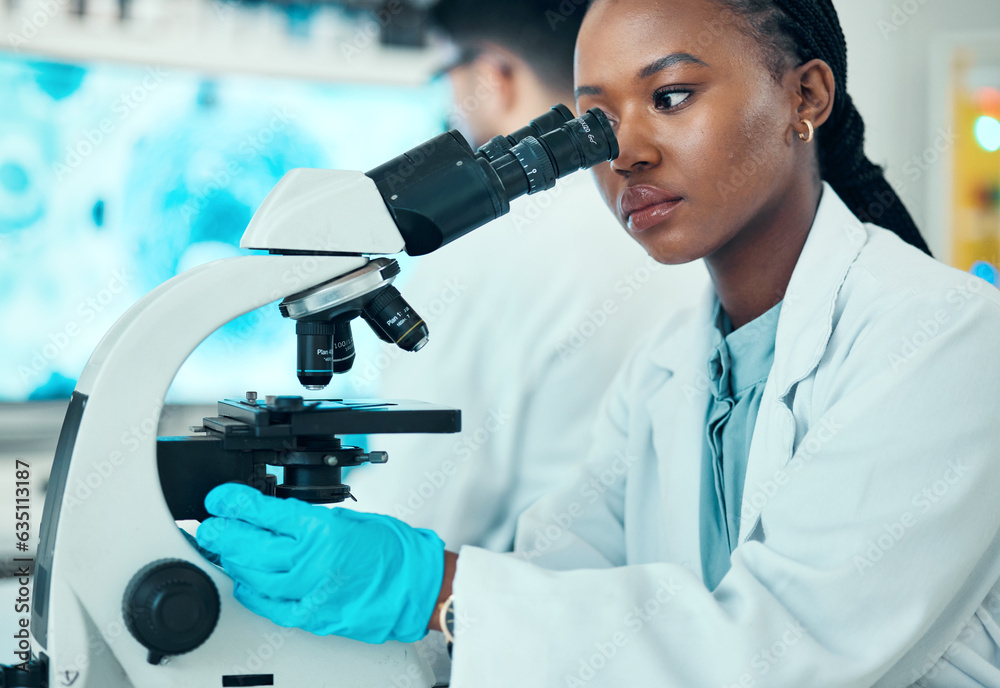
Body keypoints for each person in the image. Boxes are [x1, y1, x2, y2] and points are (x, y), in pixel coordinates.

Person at [195, 0, 1000, 685]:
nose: (626, 153)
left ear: (807, 97)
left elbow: (784, 652)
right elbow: (566, 575)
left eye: (673, 96)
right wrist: (404, 593)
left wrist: (433, 589)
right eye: (594, 125)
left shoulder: (941, 338)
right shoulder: (671, 364)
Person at [339, 0, 707, 552]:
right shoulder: (679, 225)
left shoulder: (479, 254)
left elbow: (414, 520)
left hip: (525, 608)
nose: (450, 107)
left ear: (493, 77)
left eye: (447, 78)